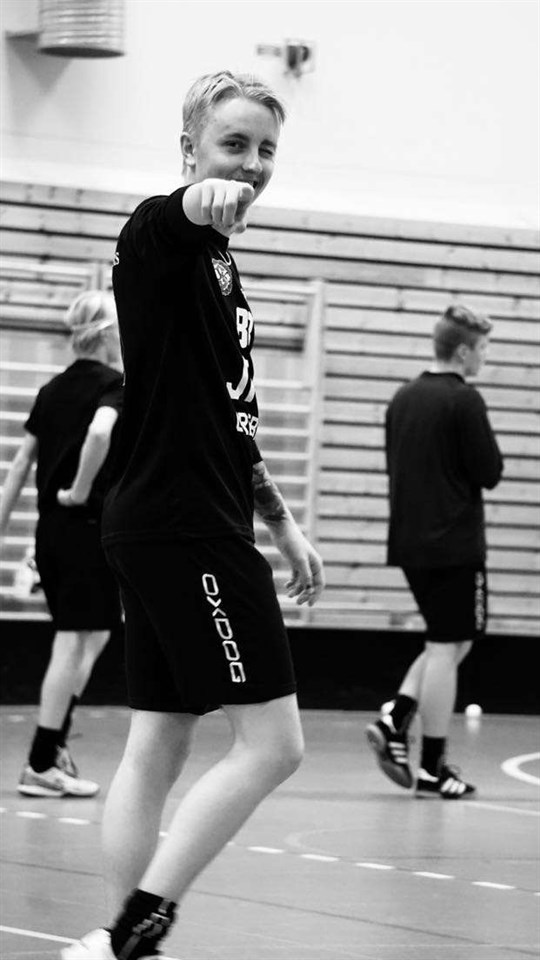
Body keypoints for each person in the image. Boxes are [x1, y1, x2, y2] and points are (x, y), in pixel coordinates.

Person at [63, 71, 324, 960]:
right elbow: (173, 216)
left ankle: (117, 940)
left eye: (266, 151)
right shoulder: (159, 234)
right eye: (232, 145)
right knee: (274, 745)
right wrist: (199, 198)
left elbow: (230, 417)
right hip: (185, 527)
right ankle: (138, 928)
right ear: (189, 149)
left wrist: (280, 521)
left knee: (159, 740)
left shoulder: (221, 267)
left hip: (169, 520)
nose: (251, 166)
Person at [365, 304, 503, 799]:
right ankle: (431, 767)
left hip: (409, 539)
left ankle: (396, 717)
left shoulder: (403, 397)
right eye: (483, 348)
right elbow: (489, 471)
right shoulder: (464, 400)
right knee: (448, 646)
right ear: (463, 351)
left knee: (451, 641)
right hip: (454, 542)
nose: (485, 358)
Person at [0, 291, 123, 798]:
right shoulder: (114, 384)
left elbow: (19, 465)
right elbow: (99, 434)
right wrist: (79, 489)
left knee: (95, 635)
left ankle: (54, 745)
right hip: (84, 527)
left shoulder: (51, 390)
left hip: (52, 533)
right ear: (108, 334)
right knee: (74, 640)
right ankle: (39, 762)